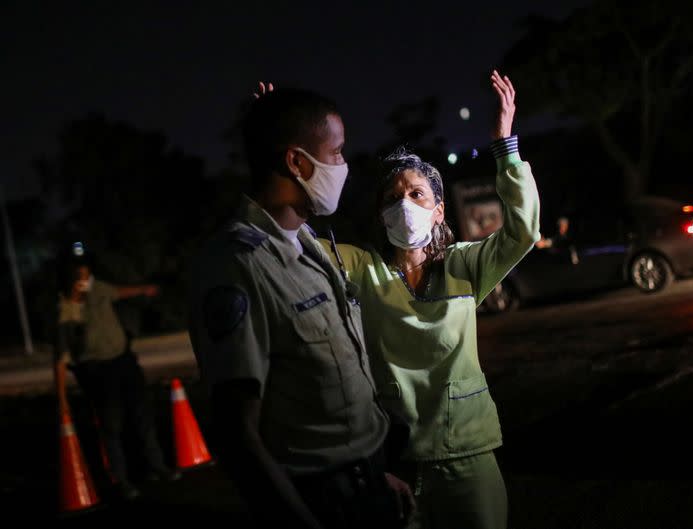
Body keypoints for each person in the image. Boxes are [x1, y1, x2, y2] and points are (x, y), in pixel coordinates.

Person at [319, 71, 540, 529]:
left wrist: (505, 146)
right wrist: (286, 158)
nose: (405, 204)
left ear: (438, 209)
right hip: (397, 461)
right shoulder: (363, 268)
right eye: (393, 197)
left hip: (468, 454)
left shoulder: (462, 265)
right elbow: (294, 245)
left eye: (417, 194)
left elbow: (523, 232)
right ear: (381, 215)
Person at [188, 85, 414, 529]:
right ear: (296, 162)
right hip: (319, 503)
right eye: (336, 152)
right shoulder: (237, 265)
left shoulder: (308, 243)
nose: (343, 166)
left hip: (365, 485)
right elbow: (238, 434)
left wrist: (374, 475)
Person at [54, 245, 181, 502]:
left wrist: (144, 289)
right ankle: (121, 480)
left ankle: (157, 467)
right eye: (78, 273)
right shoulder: (64, 309)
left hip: (122, 361)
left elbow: (117, 291)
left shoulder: (98, 288)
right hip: (97, 370)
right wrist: (62, 399)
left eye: (85, 271)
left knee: (141, 414)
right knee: (111, 425)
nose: (83, 277)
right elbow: (59, 358)